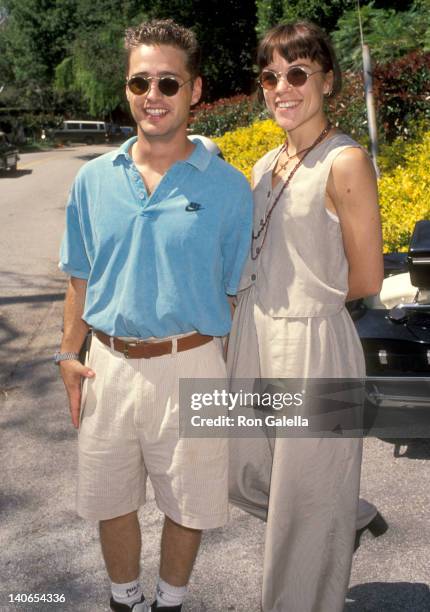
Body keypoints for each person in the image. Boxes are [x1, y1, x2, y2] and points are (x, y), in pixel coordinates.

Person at [56, 19, 252, 612]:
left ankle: (170, 601)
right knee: (110, 499)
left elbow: (236, 291)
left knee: (188, 503)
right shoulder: (93, 180)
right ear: (127, 88)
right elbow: (79, 276)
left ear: (195, 91)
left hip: (192, 364)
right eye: (141, 82)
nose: (153, 96)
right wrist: (68, 353)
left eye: (169, 82)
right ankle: (124, 600)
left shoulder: (229, 189)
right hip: (108, 366)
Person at [227, 21, 385, 612]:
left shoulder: (345, 161)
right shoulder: (264, 163)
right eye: (270, 75)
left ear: (328, 79)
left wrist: (301, 302)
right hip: (253, 334)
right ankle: (347, 509)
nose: (281, 86)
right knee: (233, 468)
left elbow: (366, 278)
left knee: (305, 501)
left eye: (297, 72)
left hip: (315, 341)